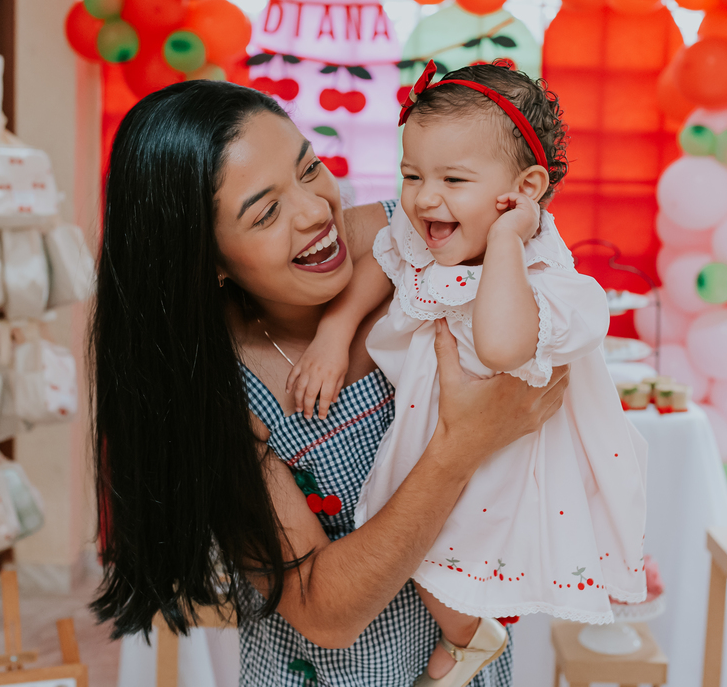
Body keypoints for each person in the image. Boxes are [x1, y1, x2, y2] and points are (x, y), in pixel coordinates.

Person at [89, 79, 571, 687]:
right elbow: (325, 613)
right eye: (266, 212)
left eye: (309, 168)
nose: (317, 211)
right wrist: (461, 445)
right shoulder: (215, 397)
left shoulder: (421, 240)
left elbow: (539, 298)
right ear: (206, 258)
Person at [286, 61, 649, 687]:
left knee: (457, 555)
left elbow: (502, 346)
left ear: (525, 190)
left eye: (453, 179)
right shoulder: (422, 237)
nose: (425, 198)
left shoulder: (540, 276)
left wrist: (507, 240)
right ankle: (472, 637)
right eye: (412, 175)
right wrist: (333, 335)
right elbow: (381, 263)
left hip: (504, 457)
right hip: (431, 431)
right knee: (409, 540)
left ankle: (469, 638)